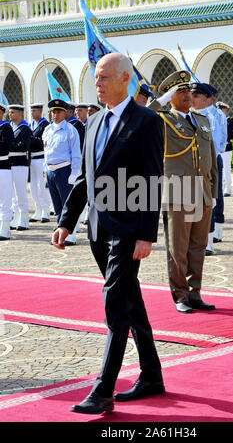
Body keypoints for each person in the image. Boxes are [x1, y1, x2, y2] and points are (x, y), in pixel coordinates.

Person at [52, 52, 165, 415]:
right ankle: (152, 374)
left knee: (115, 305)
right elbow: (86, 178)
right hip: (98, 229)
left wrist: (147, 234)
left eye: (103, 77)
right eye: (95, 77)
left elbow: (151, 179)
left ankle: (103, 389)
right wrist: (66, 220)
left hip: (130, 231)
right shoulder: (94, 122)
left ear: (124, 79)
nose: (96, 83)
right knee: (130, 299)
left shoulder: (146, 121)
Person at [148, 74, 218, 314]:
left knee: (198, 246)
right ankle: (180, 294)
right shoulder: (162, 120)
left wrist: (214, 191)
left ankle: (195, 292)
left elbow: (212, 158)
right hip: (177, 192)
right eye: (181, 91)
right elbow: (143, 117)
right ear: (170, 96)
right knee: (177, 248)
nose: (188, 95)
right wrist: (161, 100)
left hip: (203, 191)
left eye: (189, 91)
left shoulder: (202, 120)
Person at [191, 83, 227, 251]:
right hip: (192, 164)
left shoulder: (212, 117)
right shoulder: (189, 115)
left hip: (209, 162)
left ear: (205, 98)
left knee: (209, 200)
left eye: (196, 96)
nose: (192, 98)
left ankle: (209, 240)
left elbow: (216, 142)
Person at [43, 99, 81, 246]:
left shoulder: (71, 130)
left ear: (65, 113)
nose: (55, 115)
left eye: (58, 111)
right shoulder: (47, 130)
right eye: (53, 111)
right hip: (51, 171)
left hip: (64, 170)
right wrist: (44, 169)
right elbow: (46, 151)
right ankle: (60, 232)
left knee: (68, 204)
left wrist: (74, 173)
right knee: (57, 205)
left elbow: (76, 154)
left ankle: (72, 233)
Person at [8, 104, 32, 231]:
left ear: (20, 113)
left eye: (12, 112)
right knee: (13, 195)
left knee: (20, 194)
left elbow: (23, 146)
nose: (10, 115)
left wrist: (8, 144)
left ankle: (24, 220)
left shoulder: (25, 129)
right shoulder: (10, 127)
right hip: (10, 163)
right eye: (9, 112)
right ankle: (16, 218)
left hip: (20, 163)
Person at [29, 103, 51, 223]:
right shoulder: (30, 124)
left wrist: (30, 139)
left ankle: (45, 210)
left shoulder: (45, 125)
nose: (32, 113)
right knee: (33, 186)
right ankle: (38, 208)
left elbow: (44, 141)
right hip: (31, 158)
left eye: (35, 111)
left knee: (42, 185)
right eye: (31, 111)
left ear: (40, 111)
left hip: (41, 157)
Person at [216, 101, 233, 198]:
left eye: (221, 109)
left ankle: (227, 187)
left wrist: (222, 138)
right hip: (217, 148)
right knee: (219, 168)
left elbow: (232, 135)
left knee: (226, 168)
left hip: (226, 147)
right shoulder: (215, 120)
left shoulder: (230, 121)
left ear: (225, 110)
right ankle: (221, 186)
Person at [0, 104, 14, 240]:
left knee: (5, 199)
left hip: (3, 166)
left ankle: (5, 229)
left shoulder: (6, 127)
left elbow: (4, 147)